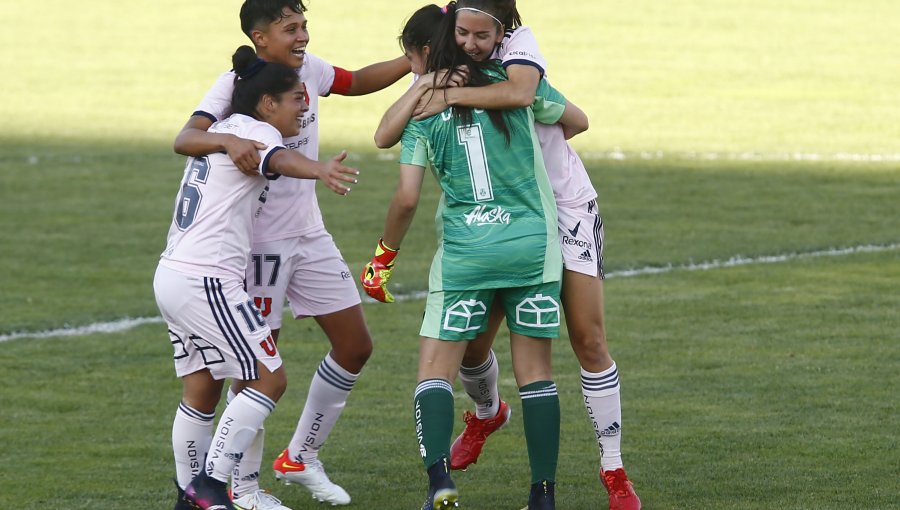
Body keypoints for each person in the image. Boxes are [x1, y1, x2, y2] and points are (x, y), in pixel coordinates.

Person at [373, 3, 642, 510]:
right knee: (477, 350)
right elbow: (574, 118)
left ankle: (614, 469)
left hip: (560, 209)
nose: (473, 42)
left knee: (588, 339)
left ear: (503, 30)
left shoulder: (518, 61)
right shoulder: (461, 79)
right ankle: (488, 414)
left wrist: (443, 92)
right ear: (451, 35)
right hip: (518, 226)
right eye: (464, 34)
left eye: (482, 34)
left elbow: (546, 107)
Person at [172, 1, 411, 507]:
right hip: (257, 247)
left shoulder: (311, 69)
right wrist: (223, 140)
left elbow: (356, 80)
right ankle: (242, 486)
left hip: (309, 233)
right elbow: (187, 137)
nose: (302, 35)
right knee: (255, 369)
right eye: (290, 28)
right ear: (261, 38)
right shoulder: (235, 86)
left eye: (304, 25)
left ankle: (300, 455)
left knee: (355, 346)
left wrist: (414, 61)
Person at [157, 45, 359, 510]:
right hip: (208, 280)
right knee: (268, 379)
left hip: (172, 274)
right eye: (295, 99)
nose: (304, 107)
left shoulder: (222, 129)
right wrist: (319, 170)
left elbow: (193, 139)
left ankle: (190, 497)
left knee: (201, 383)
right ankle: (210, 487)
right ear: (267, 102)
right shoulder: (256, 132)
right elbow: (279, 161)